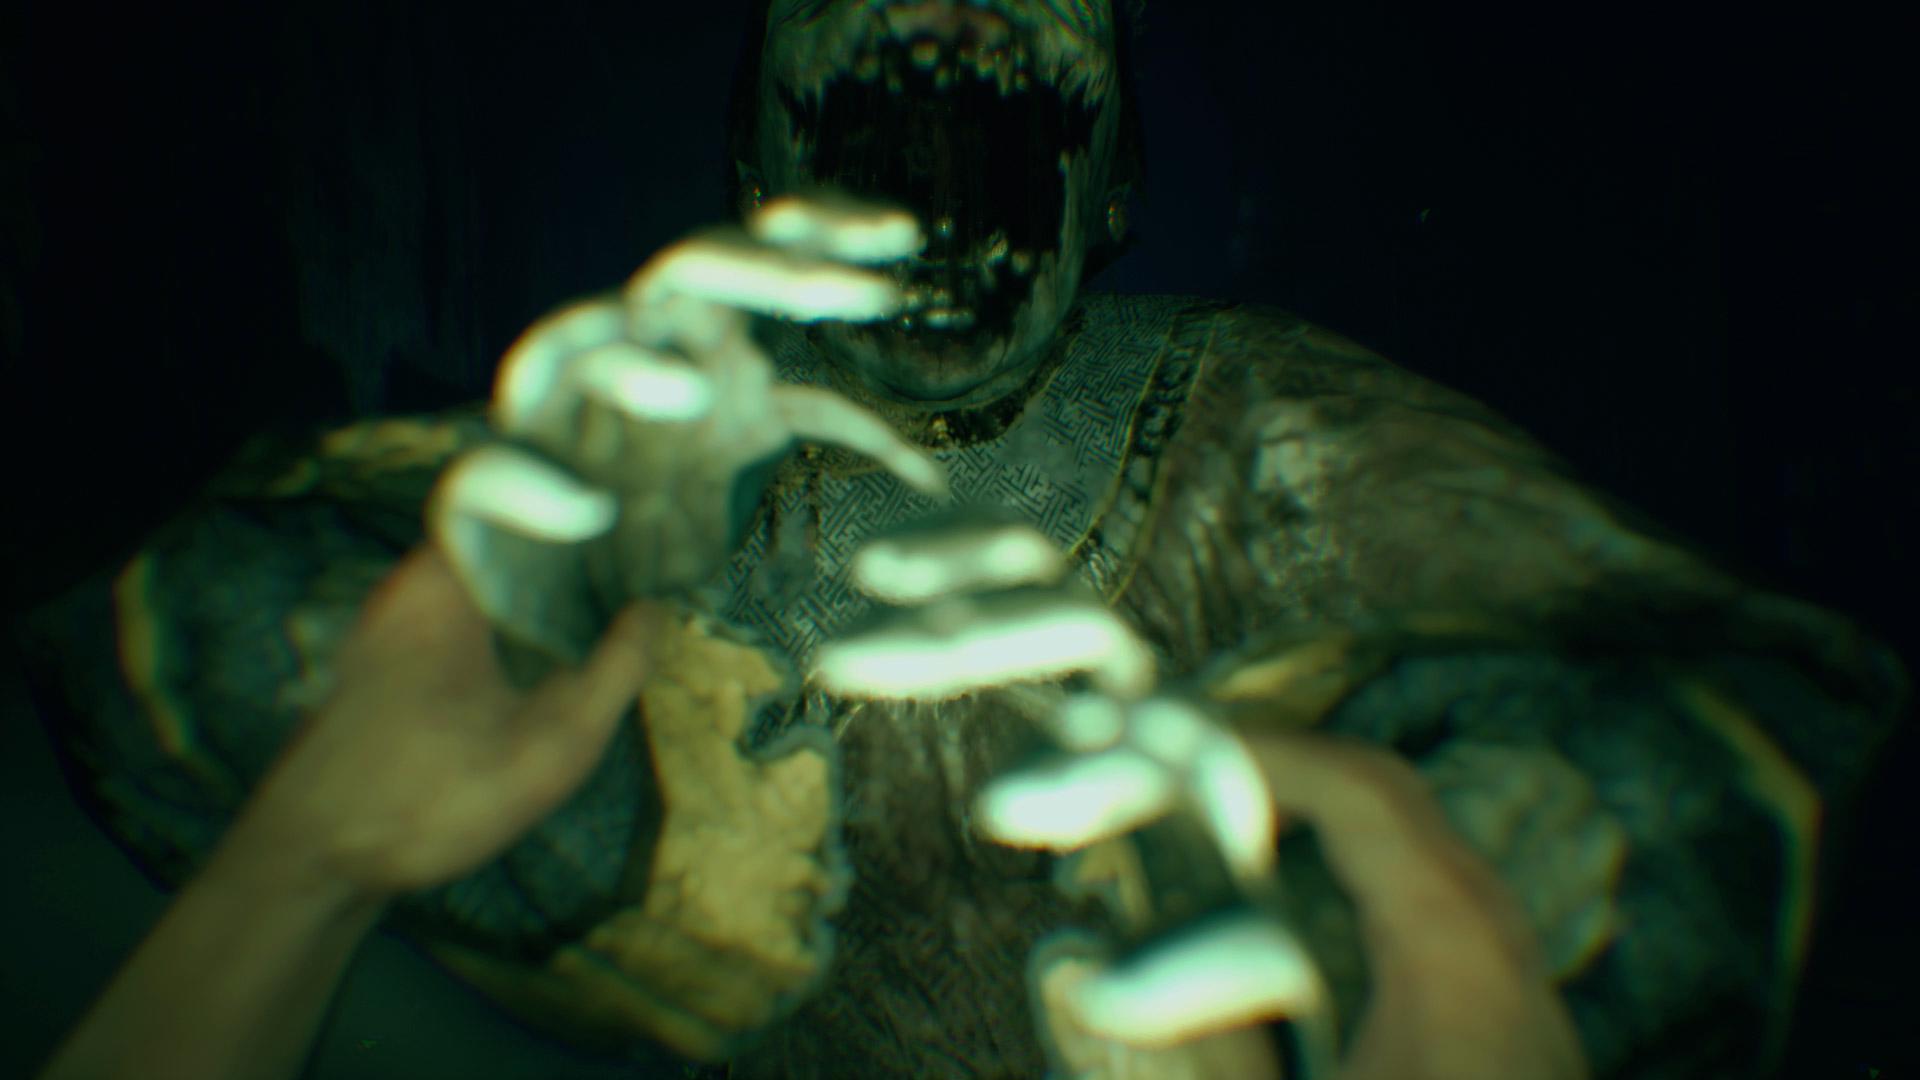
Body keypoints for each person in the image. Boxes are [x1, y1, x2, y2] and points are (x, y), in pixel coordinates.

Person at [24, 1, 1904, 1077]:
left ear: (1115, 190)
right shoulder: (648, 443)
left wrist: (1488, 846)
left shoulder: (1261, 418)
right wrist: (322, 813)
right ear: (760, 161)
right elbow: (216, 627)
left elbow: (1714, 707)